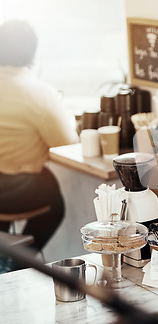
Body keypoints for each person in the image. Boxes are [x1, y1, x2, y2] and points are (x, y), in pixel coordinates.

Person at [0, 20, 78, 257]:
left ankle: (6, 258)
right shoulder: (37, 93)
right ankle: (21, 260)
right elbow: (66, 143)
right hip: (18, 190)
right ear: (32, 53)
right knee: (54, 202)